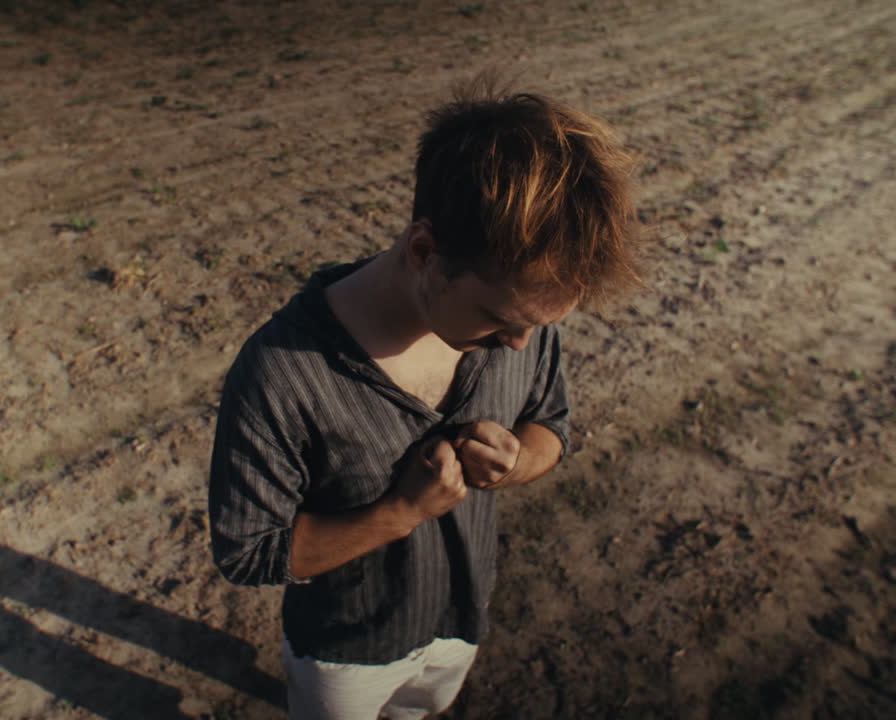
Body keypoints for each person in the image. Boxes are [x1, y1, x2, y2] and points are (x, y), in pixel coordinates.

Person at [208, 78, 640, 720]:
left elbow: (551, 423)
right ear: (423, 252)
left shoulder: (522, 311)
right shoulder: (281, 373)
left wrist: (518, 462)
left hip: (461, 626)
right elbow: (249, 552)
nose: (521, 345)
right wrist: (400, 512)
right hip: (345, 660)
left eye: (539, 325)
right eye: (499, 320)